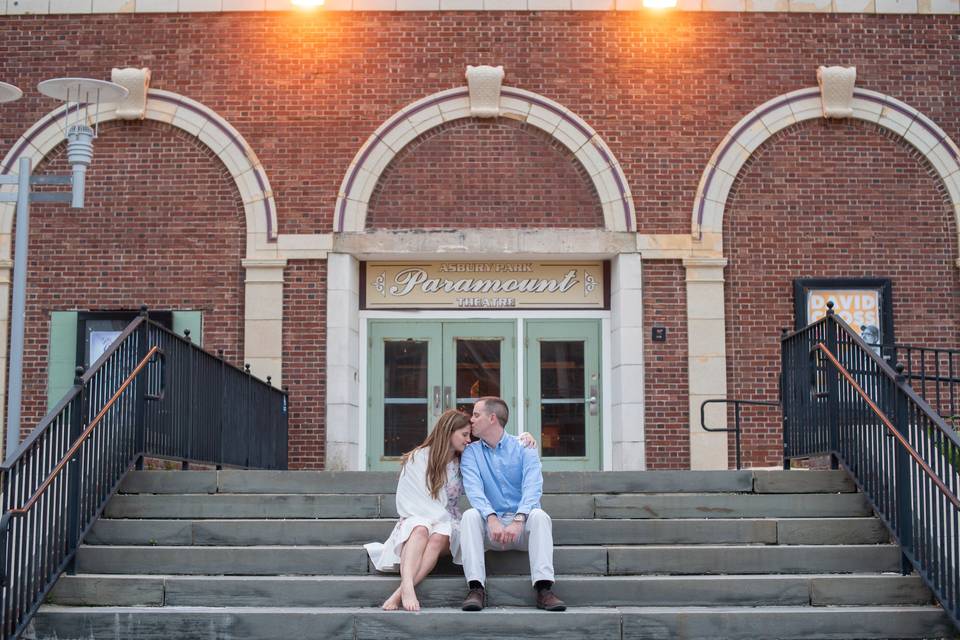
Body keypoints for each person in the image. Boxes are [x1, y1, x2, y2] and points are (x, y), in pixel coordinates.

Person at [364, 409, 537, 612]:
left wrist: (523, 437)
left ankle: (398, 593)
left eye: (469, 435)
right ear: (448, 432)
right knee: (420, 528)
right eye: (464, 435)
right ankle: (407, 589)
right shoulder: (418, 458)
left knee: (439, 535)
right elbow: (410, 503)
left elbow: (496, 444)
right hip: (416, 519)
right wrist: (430, 522)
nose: (467, 440)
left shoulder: (465, 460)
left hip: (449, 522)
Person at [459, 396, 566, 612]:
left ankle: (544, 589)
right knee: (470, 516)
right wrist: (491, 518)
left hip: (522, 528)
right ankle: (476, 588)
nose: (471, 419)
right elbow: (474, 490)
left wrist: (519, 519)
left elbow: (533, 487)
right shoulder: (471, 452)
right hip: (491, 529)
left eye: (476, 415)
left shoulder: (525, 447)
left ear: (492, 418)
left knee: (540, 516)